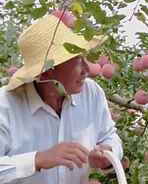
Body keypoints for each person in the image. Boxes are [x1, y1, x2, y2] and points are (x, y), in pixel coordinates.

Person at [0, 14, 123, 183]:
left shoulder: (91, 93)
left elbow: (109, 135)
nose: (87, 69)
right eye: (77, 61)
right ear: (46, 72)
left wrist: (108, 153)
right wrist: (38, 159)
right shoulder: (5, 106)